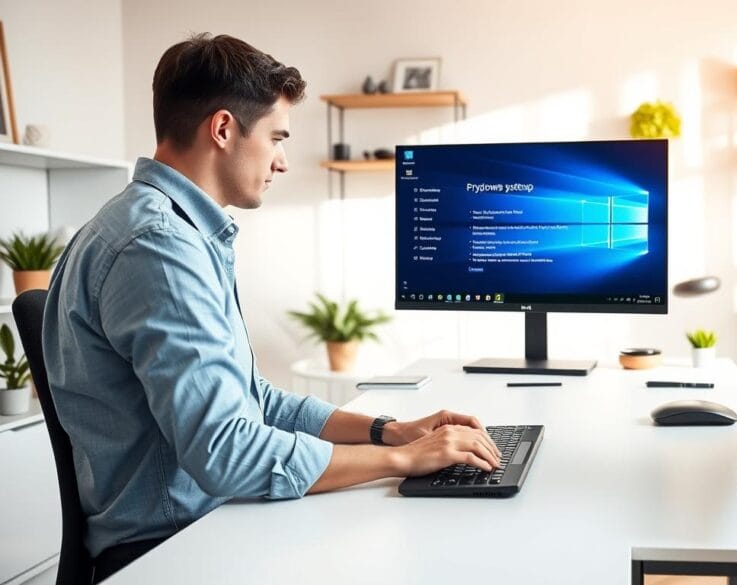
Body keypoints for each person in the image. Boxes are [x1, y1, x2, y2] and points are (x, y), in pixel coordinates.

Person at [41, 33, 500, 583]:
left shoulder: (164, 229)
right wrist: (405, 462)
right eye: (277, 137)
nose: (282, 161)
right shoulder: (157, 247)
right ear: (223, 129)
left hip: (203, 525)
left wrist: (388, 431)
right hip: (171, 551)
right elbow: (226, 451)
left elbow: (251, 402)